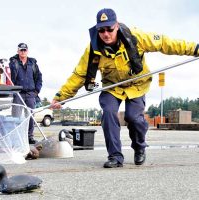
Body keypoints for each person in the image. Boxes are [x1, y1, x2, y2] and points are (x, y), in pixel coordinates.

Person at [51, 8, 199, 168]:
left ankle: (139, 147)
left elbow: (165, 43)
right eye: (101, 30)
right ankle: (115, 156)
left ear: (116, 25)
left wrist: (195, 49)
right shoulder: (92, 49)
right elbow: (79, 75)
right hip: (112, 87)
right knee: (108, 113)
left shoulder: (136, 37)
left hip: (137, 84)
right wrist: (61, 97)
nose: (106, 34)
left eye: (109, 29)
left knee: (133, 118)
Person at [9, 43, 43, 144]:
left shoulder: (33, 64)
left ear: (27, 51)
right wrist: (12, 91)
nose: (23, 52)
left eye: (24, 50)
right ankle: (16, 138)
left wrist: (36, 91)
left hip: (30, 94)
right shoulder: (13, 63)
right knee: (16, 117)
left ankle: (29, 137)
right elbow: (9, 77)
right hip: (18, 94)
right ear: (18, 51)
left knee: (30, 117)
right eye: (21, 50)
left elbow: (39, 78)